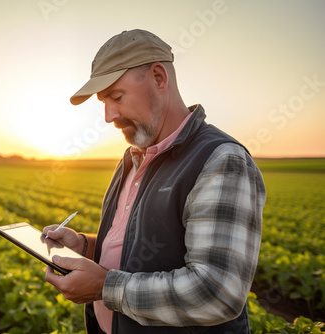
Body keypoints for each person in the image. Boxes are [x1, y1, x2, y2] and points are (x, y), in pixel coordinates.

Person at [43, 29, 266, 334]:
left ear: (159, 78)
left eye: (116, 97)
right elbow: (139, 251)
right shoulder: (133, 158)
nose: (109, 116)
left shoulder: (220, 160)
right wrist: (83, 245)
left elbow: (217, 293)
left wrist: (105, 287)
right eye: (103, 102)